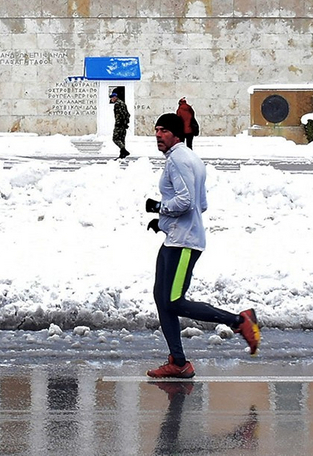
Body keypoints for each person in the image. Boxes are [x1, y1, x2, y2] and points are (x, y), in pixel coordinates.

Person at [146, 112, 260, 379]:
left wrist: (159, 207)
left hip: (184, 243)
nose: (158, 135)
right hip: (175, 238)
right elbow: (202, 204)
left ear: (175, 134)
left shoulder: (178, 160)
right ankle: (178, 362)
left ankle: (240, 321)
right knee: (162, 300)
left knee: (174, 301)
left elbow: (185, 202)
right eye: (156, 130)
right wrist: (162, 222)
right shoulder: (191, 159)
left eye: (163, 130)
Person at [109, 88, 130, 159]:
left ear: (115, 97)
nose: (111, 99)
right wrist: (126, 123)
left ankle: (124, 150)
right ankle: (122, 155)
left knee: (115, 138)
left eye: (112, 97)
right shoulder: (123, 103)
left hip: (119, 124)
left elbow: (120, 115)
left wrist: (119, 123)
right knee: (122, 139)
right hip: (124, 124)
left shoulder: (117, 104)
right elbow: (127, 114)